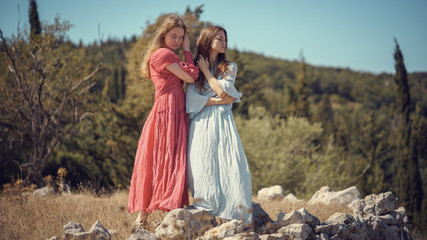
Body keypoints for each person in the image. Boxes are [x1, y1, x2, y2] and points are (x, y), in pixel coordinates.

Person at [127, 15, 199, 224]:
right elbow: (191, 77)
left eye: (181, 37)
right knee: (166, 156)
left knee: (164, 156)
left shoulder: (167, 55)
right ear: (164, 34)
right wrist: (187, 50)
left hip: (173, 109)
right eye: (173, 36)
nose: (177, 40)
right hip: (167, 110)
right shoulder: (163, 54)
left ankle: (153, 214)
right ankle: (151, 213)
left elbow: (188, 74)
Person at [186, 25, 253, 223]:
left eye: (225, 39)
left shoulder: (229, 67)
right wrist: (218, 99)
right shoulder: (193, 68)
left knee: (229, 162)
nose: (224, 43)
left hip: (223, 121)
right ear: (208, 40)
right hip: (201, 122)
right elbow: (191, 99)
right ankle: (206, 215)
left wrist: (207, 72)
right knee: (202, 164)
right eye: (219, 39)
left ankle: (234, 215)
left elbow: (225, 93)